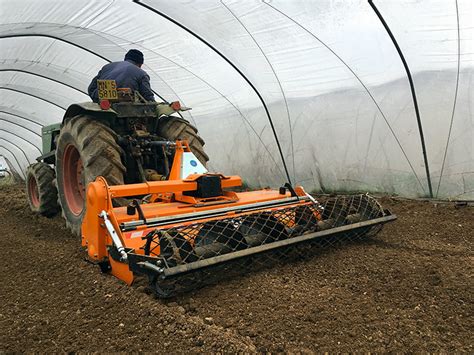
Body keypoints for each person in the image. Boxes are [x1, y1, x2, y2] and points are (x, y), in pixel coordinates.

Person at [87, 49, 155, 102]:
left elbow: (91, 88)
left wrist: (97, 100)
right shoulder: (141, 73)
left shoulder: (107, 67)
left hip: (102, 103)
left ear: (125, 59)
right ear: (140, 64)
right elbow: (148, 97)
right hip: (126, 109)